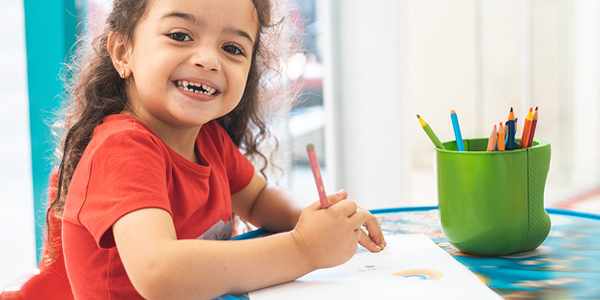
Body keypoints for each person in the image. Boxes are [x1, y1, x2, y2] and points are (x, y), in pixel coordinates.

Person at [46, 0, 386, 299]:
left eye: (233, 48)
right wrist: (304, 249)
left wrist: (322, 221)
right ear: (123, 52)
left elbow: (257, 199)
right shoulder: (122, 149)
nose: (208, 60)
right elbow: (158, 273)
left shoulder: (208, 139)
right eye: (180, 35)